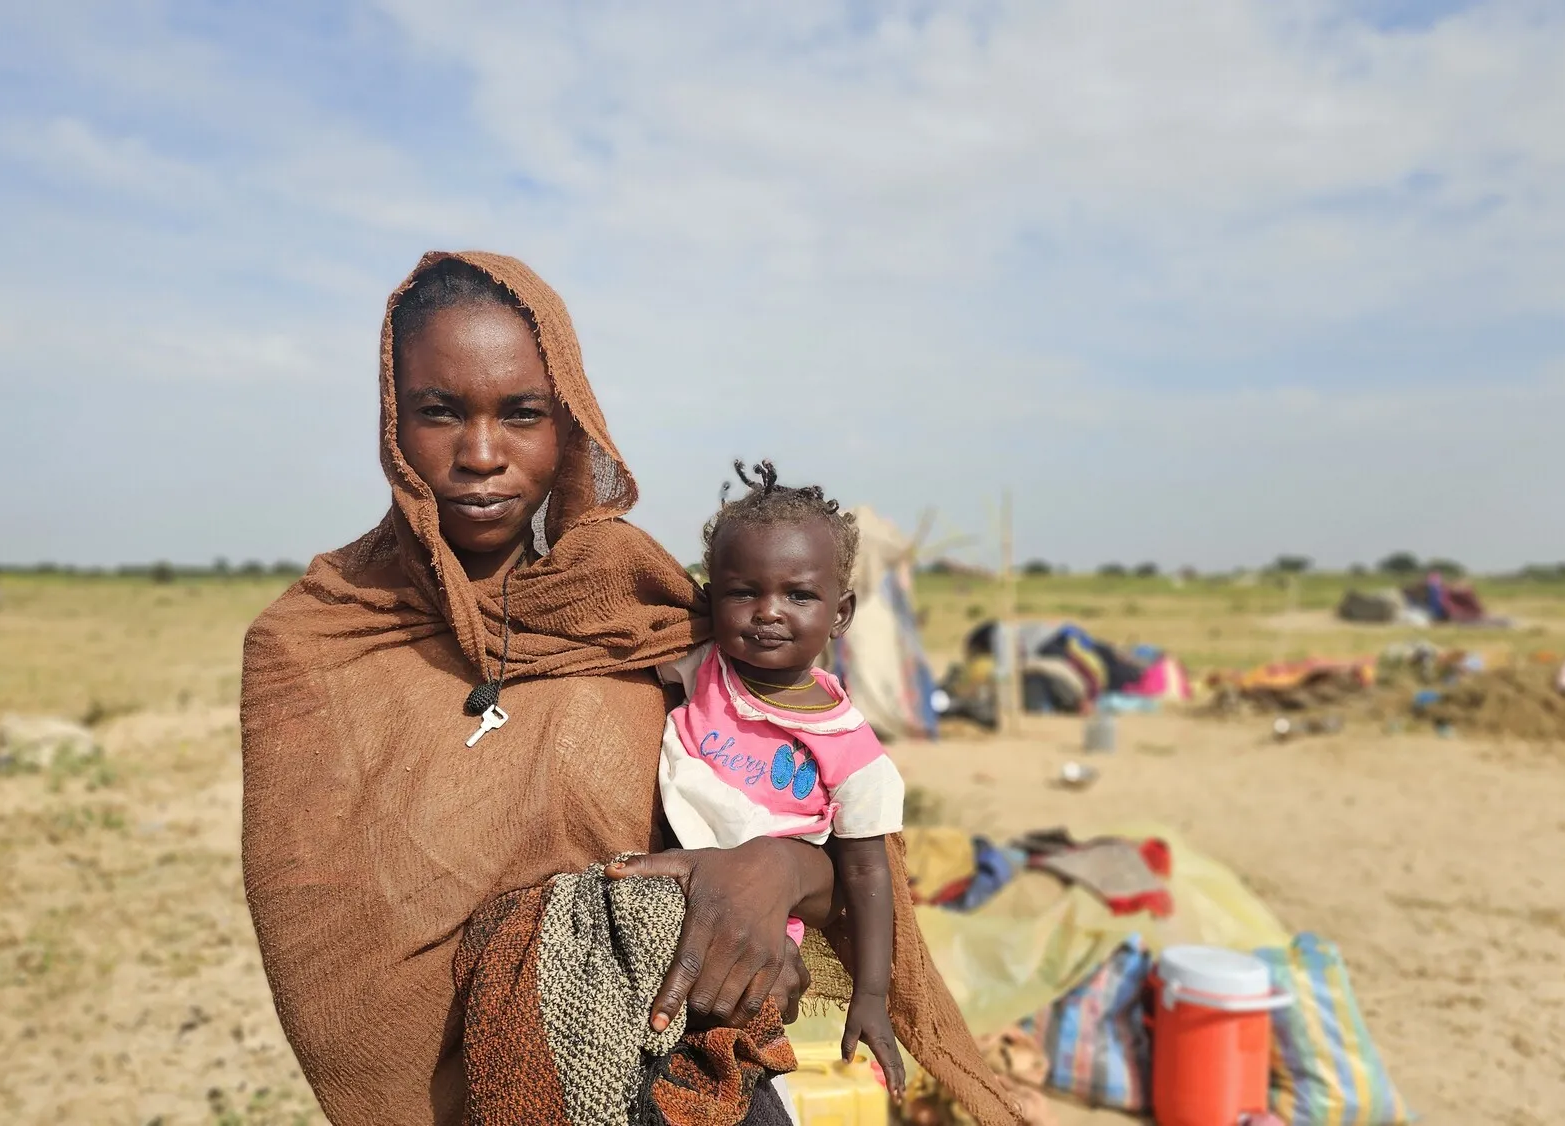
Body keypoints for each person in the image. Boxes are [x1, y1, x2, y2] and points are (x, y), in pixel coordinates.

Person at [240, 252, 1021, 1126]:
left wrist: (777, 866)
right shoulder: (316, 645)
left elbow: (836, 860)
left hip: (689, 1074)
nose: (481, 454)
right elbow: (331, 959)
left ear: (568, 423)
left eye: (522, 413)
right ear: (393, 420)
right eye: (439, 413)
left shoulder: (642, 608)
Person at [657, 459, 908, 1098]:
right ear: (711, 597)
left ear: (841, 611)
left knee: (723, 1064)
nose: (769, 613)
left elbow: (866, 872)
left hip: (759, 934)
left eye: (798, 595)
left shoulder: (850, 747)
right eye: (744, 592)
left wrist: (871, 995)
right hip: (659, 889)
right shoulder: (697, 665)